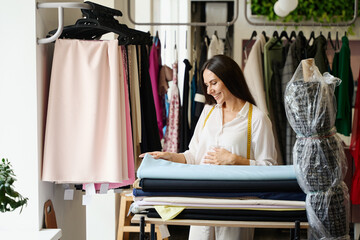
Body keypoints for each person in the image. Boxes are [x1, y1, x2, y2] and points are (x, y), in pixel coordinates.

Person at [140, 54, 277, 240]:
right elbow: (193, 156)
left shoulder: (257, 119)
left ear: (229, 79)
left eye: (214, 83)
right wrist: (169, 157)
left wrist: (235, 160)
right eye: (206, 85)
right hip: (202, 202)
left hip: (235, 206)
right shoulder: (208, 112)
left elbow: (269, 169)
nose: (209, 90)